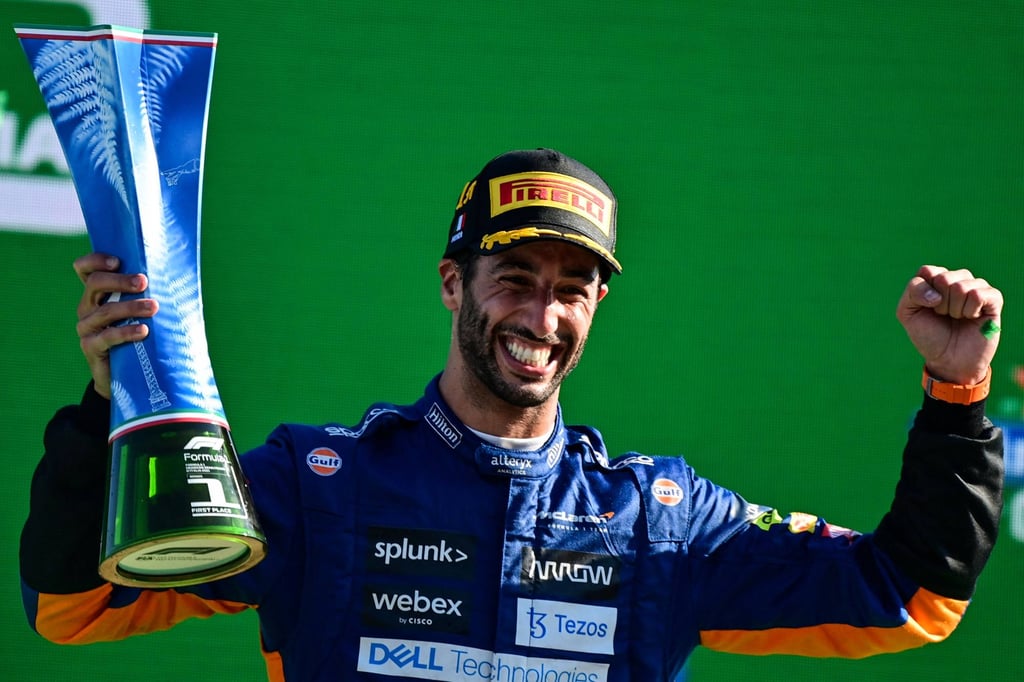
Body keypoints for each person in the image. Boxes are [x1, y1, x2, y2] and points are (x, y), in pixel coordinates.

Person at [20, 148, 1004, 681]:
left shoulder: (657, 522)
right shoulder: (320, 488)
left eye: (572, 288)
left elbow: (909, 595)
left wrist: (956, 396)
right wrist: (110, 403)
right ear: (454, 283)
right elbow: (75, 605)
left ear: (597, 306)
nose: (541, 315)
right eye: (515, 278)